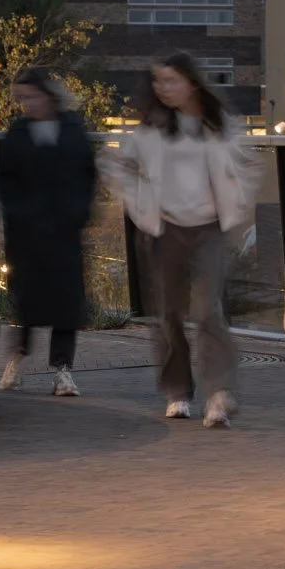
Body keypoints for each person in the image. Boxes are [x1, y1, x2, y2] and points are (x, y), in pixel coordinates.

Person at [109, 52, 260, 429]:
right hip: (165, 231)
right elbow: (117, 167)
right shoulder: (149, 131)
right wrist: (138, 207)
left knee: (208, 311)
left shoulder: (218, 125)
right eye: (158, 81)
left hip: (208, 228)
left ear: (191, 82)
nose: (163, 88)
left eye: (171, 80)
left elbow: (248, 162)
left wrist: (238, 202)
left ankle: (218, 393)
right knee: (170, 316)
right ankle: (177, 392)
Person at [0, 66, 97, 398]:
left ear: (48, 94)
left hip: (64, 231)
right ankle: (16, 361)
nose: (27, 104)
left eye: (32, 96)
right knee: (26, 301)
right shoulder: (17, 133)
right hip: (26, 233)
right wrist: (20, 214)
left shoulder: (72, 130)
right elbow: (5, 181)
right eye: (22, 98)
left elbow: (86, 176)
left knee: (66, 302)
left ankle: (63, 369)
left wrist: (78, 214)